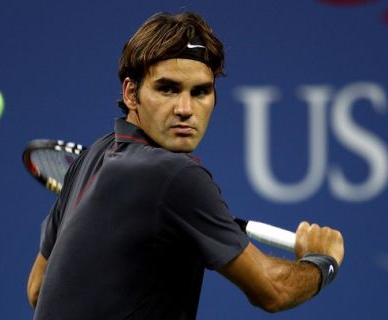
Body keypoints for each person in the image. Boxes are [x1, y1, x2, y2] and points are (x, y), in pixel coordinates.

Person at [27, 12, 344, 319]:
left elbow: (37, 290)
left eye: (200, 92)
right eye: (167, 89)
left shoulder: (92, 157)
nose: (185, 109)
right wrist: (322, 260)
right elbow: (273, 290)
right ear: (131, 93)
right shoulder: (175, 176)